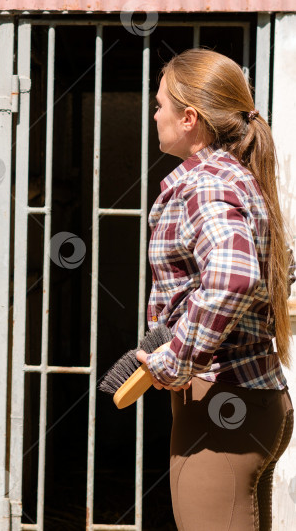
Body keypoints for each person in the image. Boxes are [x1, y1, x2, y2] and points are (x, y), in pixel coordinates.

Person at [136, 48, 294, 530]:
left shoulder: (206, 184)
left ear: (189, 118)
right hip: (251, 400)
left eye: (161, 103)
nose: (155, 113)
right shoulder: (237, 178)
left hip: (224, 404)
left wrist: (174, 362)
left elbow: (234, 277)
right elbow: (276, 272)